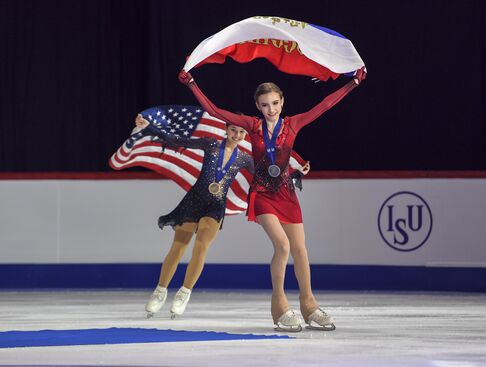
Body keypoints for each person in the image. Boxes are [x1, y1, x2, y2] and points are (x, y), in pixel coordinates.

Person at [178, 67, 366, 331]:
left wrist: (353, 83)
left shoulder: (292, 124)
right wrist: (192, 84)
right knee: (283, 246)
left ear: (282, 102)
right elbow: (216, 111)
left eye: (275, 103)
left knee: (301, 250)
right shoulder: (252, 127)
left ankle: (309, 305)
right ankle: (279, 306)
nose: (271, 109)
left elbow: (324, 105)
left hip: (286, 193)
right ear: (257, 105)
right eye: (265, 105)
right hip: (263, 193)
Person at [135, 113, 254, 319]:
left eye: (242, 131)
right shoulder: (211, 144)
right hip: (194, 201)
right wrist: (150, 128)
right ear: (226, 129)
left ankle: (184, 293)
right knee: (178, 247)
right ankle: (160, 291)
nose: (237, 134)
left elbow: (265, 175)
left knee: (201, 246)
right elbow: (178, 140)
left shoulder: (244, 158)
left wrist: (294, 173)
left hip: (215, 207)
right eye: (233, 129)